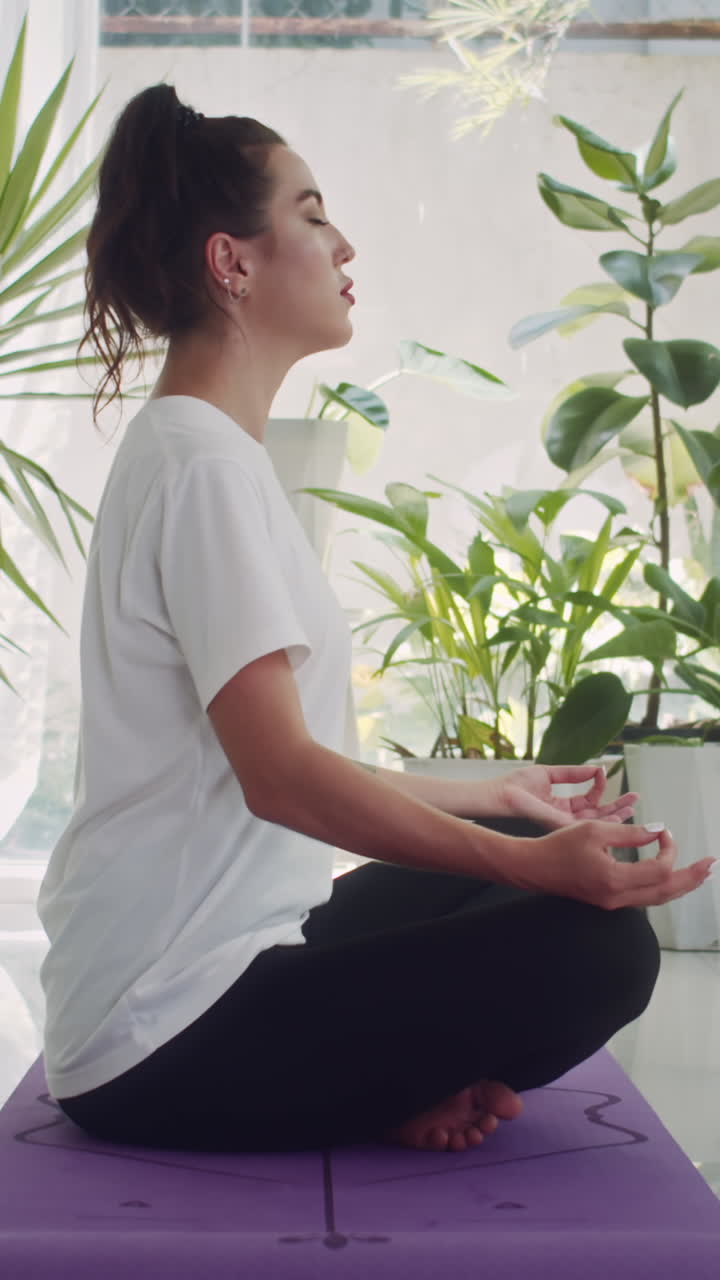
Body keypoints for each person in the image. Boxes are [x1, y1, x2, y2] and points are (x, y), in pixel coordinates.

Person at [37, 84, 716, 1158]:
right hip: (163, 1027)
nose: (342, 239)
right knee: (601, 951)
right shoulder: (203, 470)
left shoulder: (206, 451)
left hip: (232, 956)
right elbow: (284, 779)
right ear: (233, 262)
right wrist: (532, 869)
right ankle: (389, 1082)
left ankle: (394, 1072)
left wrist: (496, 795)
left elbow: (274, 764)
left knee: (517, 838)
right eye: (310, 213)